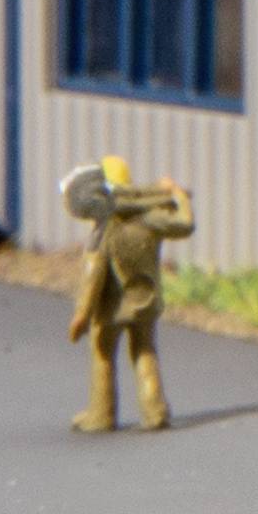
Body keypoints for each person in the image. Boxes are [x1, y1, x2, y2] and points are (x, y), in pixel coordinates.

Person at [62, 155, 193, 436]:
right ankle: (155, 410)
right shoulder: (150, 216)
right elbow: (184, 225)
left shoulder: (107, 225)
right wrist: (180, 196)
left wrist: (82, 315)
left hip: (111, 308)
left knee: (102, 354)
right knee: (145, 351)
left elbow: (93, 274)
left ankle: (101, 414)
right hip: (145, 300)